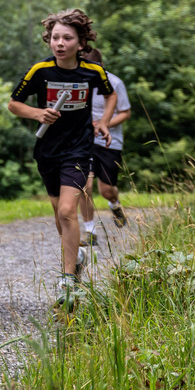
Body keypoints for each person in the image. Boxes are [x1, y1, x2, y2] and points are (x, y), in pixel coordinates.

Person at [7, 9, 116, 310]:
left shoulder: (93, 72)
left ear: (81, 43)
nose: (60, 43)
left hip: (79, 150)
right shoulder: (39, 72)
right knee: (59, 214)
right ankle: (77, 256)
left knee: (69, 210)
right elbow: (13, 104)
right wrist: (37, 113)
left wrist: (104, 122)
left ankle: (68, 280)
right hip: (47, 151)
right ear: (49, 40)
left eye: (67, 38)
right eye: (55, 37)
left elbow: (111, 96)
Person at [79, 48, 131, 244]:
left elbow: (125, 112)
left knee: (106, 189)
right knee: (84, 186)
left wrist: (103, 124)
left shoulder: (115, 83)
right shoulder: (78, 81)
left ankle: (114, 204)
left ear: (99, 67)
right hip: (83, 142)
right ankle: (90, 231)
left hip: (109, 142)